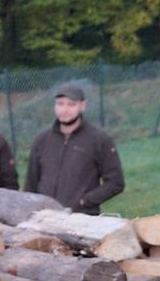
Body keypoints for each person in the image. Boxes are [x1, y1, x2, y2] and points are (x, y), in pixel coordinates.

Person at [25, 83, 124, 215]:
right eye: (60, 104)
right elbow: (30, 184)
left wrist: (84, 201)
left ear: (82, 106)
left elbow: (115, 183)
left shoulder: (100, 140)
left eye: (71, 104)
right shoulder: (41, 140)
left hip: (81, 218)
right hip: (44, 217)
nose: (64, 110)